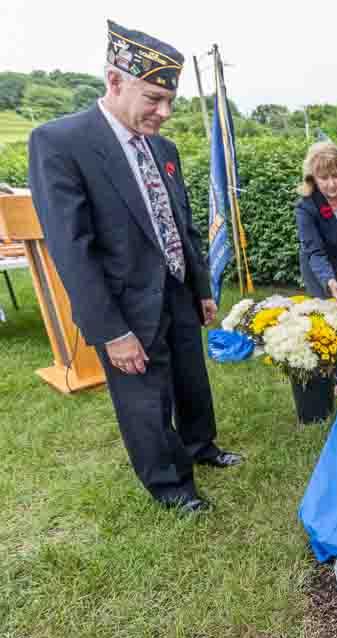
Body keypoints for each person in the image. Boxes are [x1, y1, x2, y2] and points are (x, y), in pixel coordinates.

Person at [27, 20, 242, 514]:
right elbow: (71, 247)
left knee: (191, 378)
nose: (164, 113)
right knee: (145, 399)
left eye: (170, 101)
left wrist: (201, 287)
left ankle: (200, 445)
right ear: (115, 81)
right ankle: (171, 487)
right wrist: (110, 330)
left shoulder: (163, 149)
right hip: (123, 303)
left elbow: (182, 223)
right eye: (153, 99)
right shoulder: (60, 143)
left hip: (176, 288)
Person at [295, 141, 337, 397]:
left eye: (336, 176)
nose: (331, 184)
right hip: (322, 270)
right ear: (313, 178)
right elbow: (314, 251)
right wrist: (329, 280)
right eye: (324, 178)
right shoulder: (306, 207)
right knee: (330, 325)